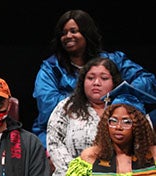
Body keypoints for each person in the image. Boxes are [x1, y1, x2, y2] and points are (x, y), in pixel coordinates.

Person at [32, 9, 156, 149]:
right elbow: (48, 106)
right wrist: (92, 100)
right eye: (63, 33)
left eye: (74, 31)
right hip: (67, 126)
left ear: (87, 33)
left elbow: (147, 81)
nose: (68, 36)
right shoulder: (51, 68)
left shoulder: (112, 60)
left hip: (113, 120)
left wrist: (116, 99)